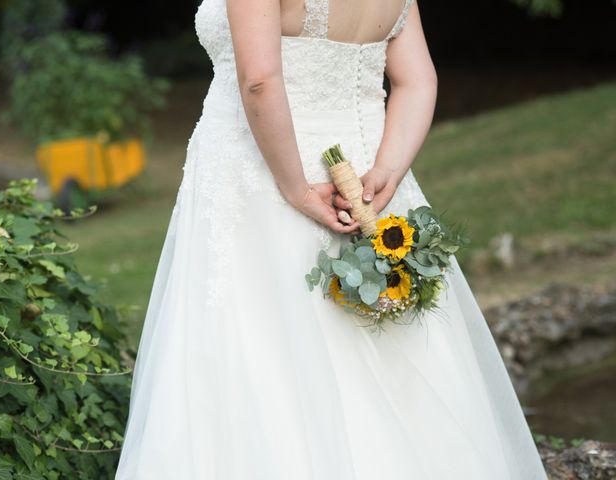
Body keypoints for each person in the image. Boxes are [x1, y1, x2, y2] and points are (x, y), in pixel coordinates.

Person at [115, 0, 549, 478]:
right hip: (366, 184)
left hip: (264, 183)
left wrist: (296, 188)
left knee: (259, 354)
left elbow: (259, 80)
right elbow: (417, 80)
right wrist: (387, 171)